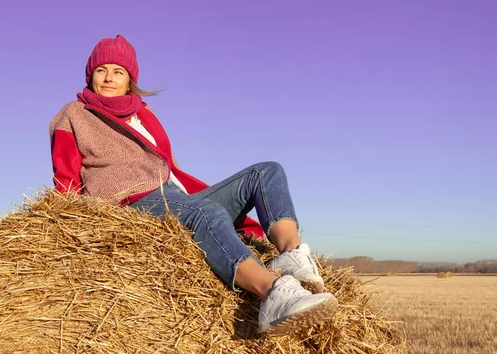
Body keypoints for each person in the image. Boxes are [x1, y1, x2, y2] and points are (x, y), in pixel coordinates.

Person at [49, 35, 338, 336]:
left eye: (118, 71)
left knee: (267, 172)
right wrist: (70, 227)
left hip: (174, 194)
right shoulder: (74, 114)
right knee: (205, 212)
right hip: (130, 200)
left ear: (129, 79)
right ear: (90, 74)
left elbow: (169, 168)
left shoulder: (144, 115)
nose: (109, 78)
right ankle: (273, 294)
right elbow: (65, 175)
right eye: (101, 70)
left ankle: (291, 256)